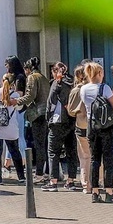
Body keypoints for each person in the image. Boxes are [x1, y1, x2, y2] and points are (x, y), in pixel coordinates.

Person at [80, 62, 113, 203]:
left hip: (92, 127)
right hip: (106, 127)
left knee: (94, 159)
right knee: (108, 159)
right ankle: (109, 191)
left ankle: (95, 192)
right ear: (99, 74)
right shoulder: (105, 88)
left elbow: (84, 109)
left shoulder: (83, 89)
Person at [11, 57, 51, 183]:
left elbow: (30, 95)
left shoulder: (32, 77)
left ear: (27, 69)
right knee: (44, 145)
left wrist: (17, 101)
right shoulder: (43, 77)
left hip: (37, 114)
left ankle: (39, 173)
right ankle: (46, 172)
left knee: (39, 145)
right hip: (45, 113)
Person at [42, 62, 78, 192]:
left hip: (57, 121)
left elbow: (51, 101)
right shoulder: (72, 82)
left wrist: (48, 118)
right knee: (71, 151)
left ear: (55, 71)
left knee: (53, 152)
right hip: (72, 120)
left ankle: (53, 181)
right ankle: (71, 180)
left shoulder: (57, 83)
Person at [0, 74, 26, 184]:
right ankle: (21, 177)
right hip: (10, 128)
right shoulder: (15, 94)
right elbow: (20, 108)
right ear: (13, 83)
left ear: (2, 81)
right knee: (15, 151)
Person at [67, 65, 97, 194]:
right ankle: (98, 181)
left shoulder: (76, 91)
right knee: (96, 155)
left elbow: (71, 110)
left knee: (84, 156)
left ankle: (86, 184)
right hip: (95, 125)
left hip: (81, 125)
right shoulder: (96, 88)